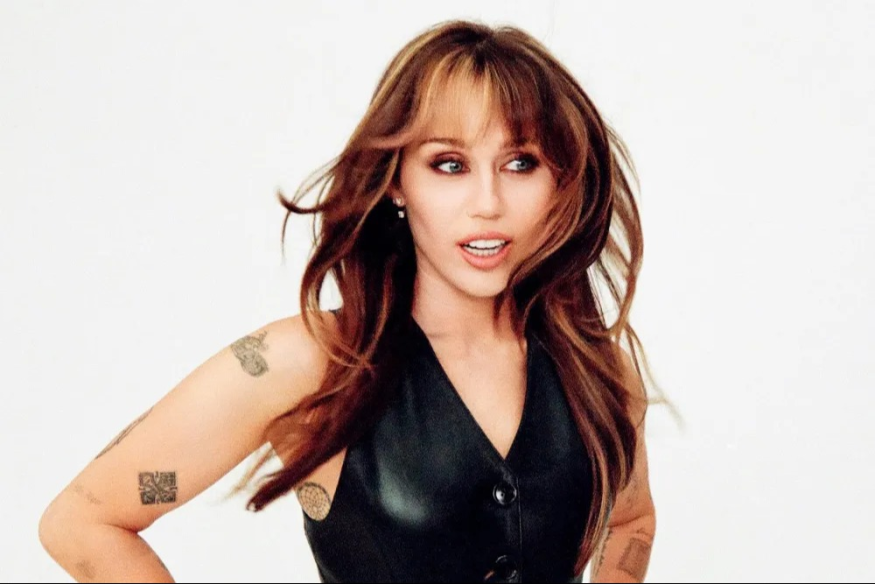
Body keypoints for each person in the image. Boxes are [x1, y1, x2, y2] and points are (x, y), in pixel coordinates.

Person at [39, 18, 660, 583]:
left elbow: (632, 520)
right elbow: (84, 521)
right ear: (397, 182)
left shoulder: (597, 369)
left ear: (560, 182)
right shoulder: (309, 363)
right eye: (449, 165)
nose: (488, 203)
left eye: (520, 163)